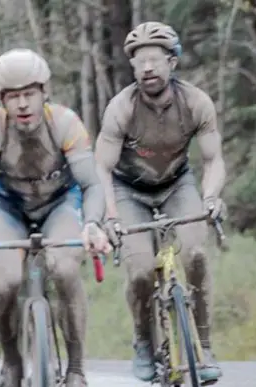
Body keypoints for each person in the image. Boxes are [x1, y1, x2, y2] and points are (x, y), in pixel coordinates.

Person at [0, 48, 110, 387]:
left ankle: (75, 369)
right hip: (9, 208)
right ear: (3, 101)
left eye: (29, 94)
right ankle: (12, 361)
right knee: (4, 281)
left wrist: (92, 223)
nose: (23, 104)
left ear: (45, 92)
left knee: (66, 268)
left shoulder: (66, 123)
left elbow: (91, 184)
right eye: (13, 97)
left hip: (60, 204)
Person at [94, 21, 227, 384]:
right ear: (132, 68)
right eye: (139, 61)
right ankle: (142, 340)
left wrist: (211, 196)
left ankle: (204, 342)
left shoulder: (197, 102)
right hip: (128, 190)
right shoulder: (120, 108)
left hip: (176, 185)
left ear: (173, 63)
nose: (147, 67)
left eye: (155, 59)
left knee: (195, 255)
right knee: (139, 271)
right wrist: (109, 215)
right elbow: (101, 169)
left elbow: (214, 160)